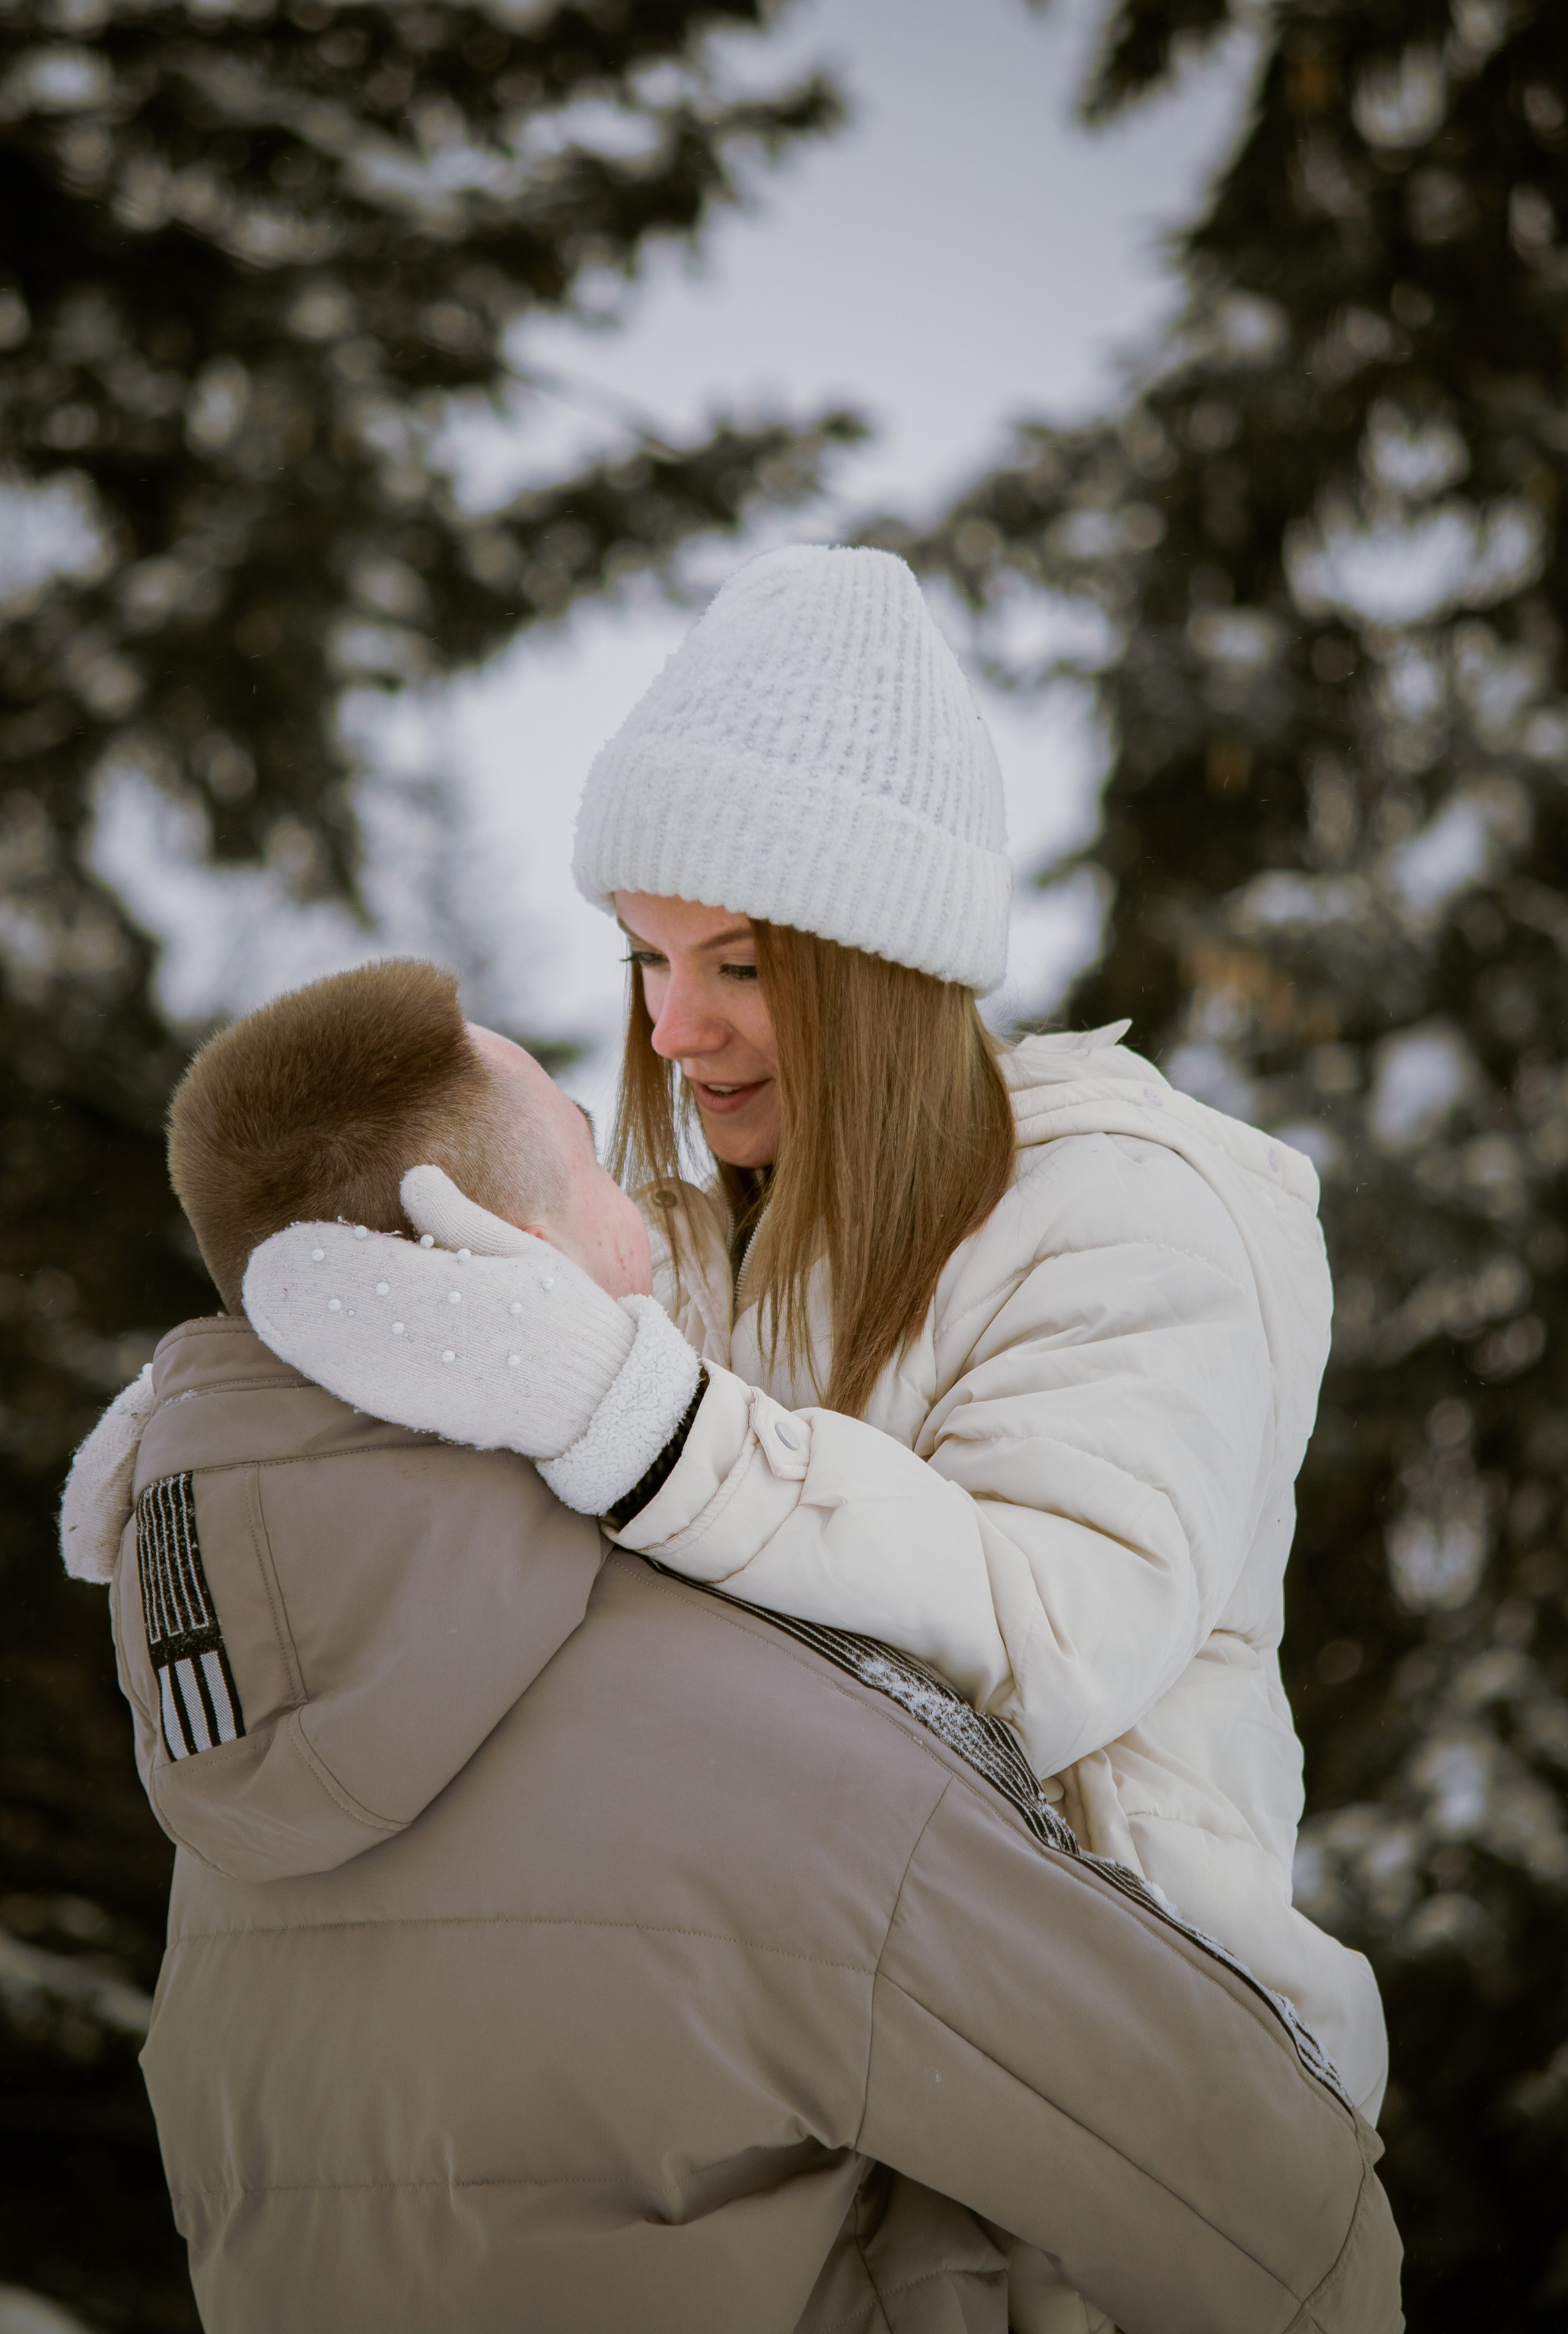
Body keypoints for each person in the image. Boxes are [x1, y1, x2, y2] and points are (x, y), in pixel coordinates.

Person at [61, 962, 1402, 2334]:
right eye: (592, 1166)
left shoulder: (224, 1829)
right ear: (512, 1255)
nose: (651, 1223)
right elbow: (1270, 2215)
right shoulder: (767, 1743)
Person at [245, 543, 1390, 2142]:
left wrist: (636, 1425)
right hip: (805, 2080)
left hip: (1134, 2110)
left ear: (883, 976)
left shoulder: (1129, 1211)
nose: (668, 1030)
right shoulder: (688, 1246)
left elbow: (1041, 1641)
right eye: (649, 958)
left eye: (737, 965)